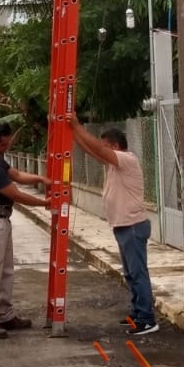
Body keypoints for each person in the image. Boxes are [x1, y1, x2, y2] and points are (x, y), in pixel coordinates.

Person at [67, 113, 158, 336]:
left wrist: (77, 126)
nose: (103, 150)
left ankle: (147, 319)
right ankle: (138, 312)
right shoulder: (114, 164)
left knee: (138, 273)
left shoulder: (126, 159)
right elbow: (92, 151)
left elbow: (97, 149)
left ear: (115, 146)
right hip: (123, 225)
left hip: (133, 225)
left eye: (106, 146)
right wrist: (73, 131)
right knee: (130, 274)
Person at [0, 120, 50, 339]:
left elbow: (16, 175)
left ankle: (4, 314)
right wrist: (45, 203)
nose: (6, 148)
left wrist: (41, 178)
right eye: (3, 145)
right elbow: (15, 193)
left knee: (5, 271)